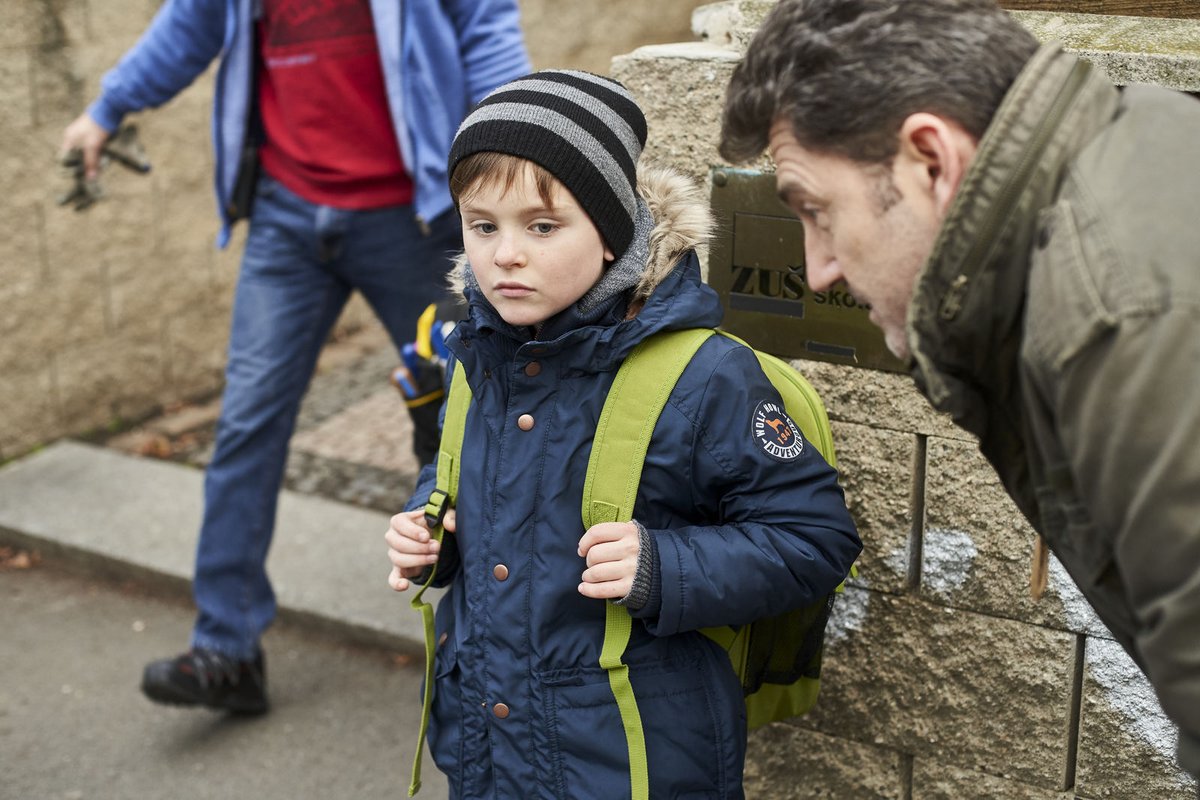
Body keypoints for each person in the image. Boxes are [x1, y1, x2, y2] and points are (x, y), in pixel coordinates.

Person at [718, 0, 1200, 782]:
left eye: (818, 211)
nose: (817, 269)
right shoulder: (1136, 151)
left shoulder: (1120, 320)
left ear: (932, 162)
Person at [384, 70, 861, 798]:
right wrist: (433, 533)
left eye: (542, 227)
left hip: (635, 766)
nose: (505, 254)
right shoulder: (477, 356)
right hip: (487, 750)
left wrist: (663, 566)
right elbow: (461, 479)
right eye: (483, 225)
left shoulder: (704, 379)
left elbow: (814, 539)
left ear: (611, 236)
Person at [59, 0, 530, 714]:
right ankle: (228, 647)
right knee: (246, 420)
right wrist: (108, 107)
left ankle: (506, 646)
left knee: (477, 413)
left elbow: (485, 23)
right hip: (288, 215)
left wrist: (523, 138)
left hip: (416, 213)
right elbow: (190, 25)